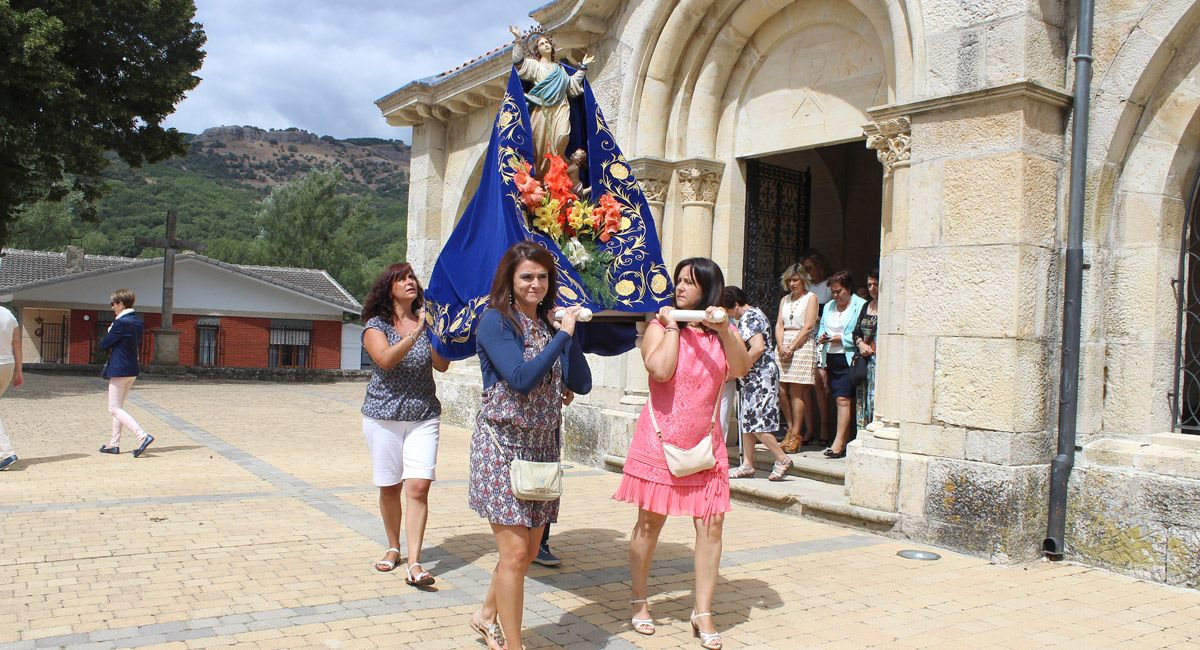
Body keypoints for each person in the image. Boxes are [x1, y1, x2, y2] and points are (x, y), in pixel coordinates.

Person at [615, 258, 751, 650]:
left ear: (708, 290)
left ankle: (702, 610)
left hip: (705, 446)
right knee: (649, 525)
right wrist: (673, 324)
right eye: (678, 281)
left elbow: (740, 369)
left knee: (711, 528)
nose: (680, 288)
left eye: (689, 283)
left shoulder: (720, 333)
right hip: (659, 442)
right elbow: (660, 370)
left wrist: (724, 330)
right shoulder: (659, 327)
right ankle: (639, 600)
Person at [468, 241, 591, 650]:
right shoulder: (495, 322)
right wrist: (562, 337)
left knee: (526, 550)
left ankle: (486, 614)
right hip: (501, 448)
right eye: (527, 276)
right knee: (517, 554)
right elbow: (520, 379)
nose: (535, 283)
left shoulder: (547, 325)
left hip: (541, 449)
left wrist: (565, 334)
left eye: (542, 276)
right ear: (511, 279)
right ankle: (514, 644)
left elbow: (582, 384)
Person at [360, 263, 450, 585]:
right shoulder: (376, 325)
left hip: (424, 415)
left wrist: (438, 333)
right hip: (382, 417)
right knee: (390, 486)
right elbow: (385, 359)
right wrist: (416, 331)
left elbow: (442, 366)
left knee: (418, 486)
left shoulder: (427, 324)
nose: (410, 281)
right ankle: (393, 547)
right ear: (389, 287)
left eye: (412, 277)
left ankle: (415, 563)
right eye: (402, 278)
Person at [508, 25, 595, 177]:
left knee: (562, 137)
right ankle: (543, 179)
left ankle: (557, 172)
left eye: (547, 43)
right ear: (537, 50)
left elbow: (571, 85)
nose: (545, 45)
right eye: (541, 44)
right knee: (541, 145)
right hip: (541, 109)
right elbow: (518, 62)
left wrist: (582, 67)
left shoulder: (560, 69)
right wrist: (517, 41)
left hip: (561, 107)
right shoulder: (534, 65)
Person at [724, 286, 792, 481]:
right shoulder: (756, 313)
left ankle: (782, 458)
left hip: (760, 376)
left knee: (757, 422)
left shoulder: (749, 317)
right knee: (747, 420)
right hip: (754, 376)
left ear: (735, 306)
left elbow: (757, 347)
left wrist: (738, 368)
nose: (730, 316)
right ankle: (747, 464)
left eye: (729, 311)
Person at [816, 271, 867, 459]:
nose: (835, 296)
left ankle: (839, 443)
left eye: (839, 292)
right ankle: (842, 439)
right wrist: (822, 337)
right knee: (838, 397)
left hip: (850, 357)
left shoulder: (860, 305)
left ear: (848, 289)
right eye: (833, 292)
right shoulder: (829, 306)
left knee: (843, 399)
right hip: (830, 355)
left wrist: (842, 338)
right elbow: (822, 326)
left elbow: (862, 331)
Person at [99, 289, 154, 458]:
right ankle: (114, 444)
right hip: (131, 368)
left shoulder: (121, 322)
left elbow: (104, 345)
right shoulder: (137, 321)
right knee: (119, 408)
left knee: (113, 409)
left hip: (119, 369)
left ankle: (142, 435)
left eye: (113, 304)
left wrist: (110, 331)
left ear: (121, 304)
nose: (112, 307)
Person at [774, 263, 819, 452]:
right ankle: (790, 428)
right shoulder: (785, 300)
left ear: (803, 280)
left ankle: (797, 434)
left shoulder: (811, 298)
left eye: (795, 280)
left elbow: (808, 326)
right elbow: (779, 324)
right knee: (782, 390)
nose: (792, 284)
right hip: (784, 343)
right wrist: (781, 344)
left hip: (801, 344)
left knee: (797, 391)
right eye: (789, 280)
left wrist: (792, 347)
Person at [800, 251, 833, 445]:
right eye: (804, 268)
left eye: (810, 268)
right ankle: (808, 429)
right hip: (805, 338)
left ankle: (824, 428)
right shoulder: (804, 288)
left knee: (821, 384)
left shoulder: (828, 286)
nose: (807, 272)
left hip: (822, 337)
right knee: (804, 385)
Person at [854, 270, 880, 431]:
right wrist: (860, 344)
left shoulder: (888, 306)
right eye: (869, 284)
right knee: (862, 398)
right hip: (864, 359)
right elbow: (856, 331)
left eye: (876, 284)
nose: (872, 288)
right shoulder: (866, 305)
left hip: (878, 361)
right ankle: (861, 432)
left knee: (874, 398)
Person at [0, 306, 23, 471]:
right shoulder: (8, 314)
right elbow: (17, 344)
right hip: (7, 364)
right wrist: (19, 371)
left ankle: (6, 453)